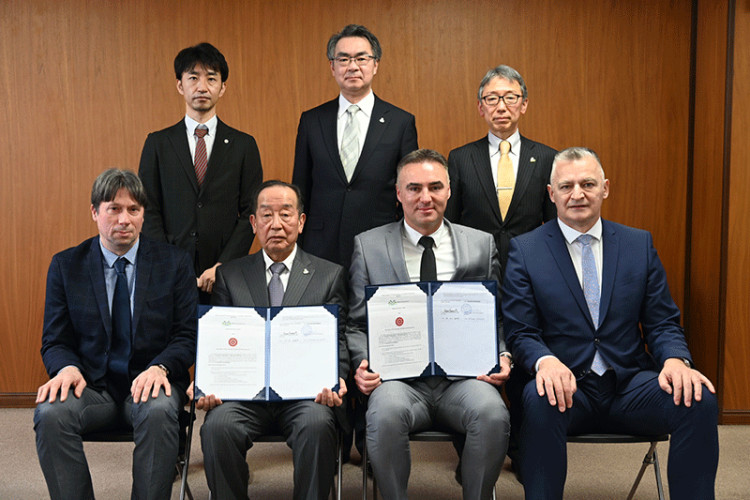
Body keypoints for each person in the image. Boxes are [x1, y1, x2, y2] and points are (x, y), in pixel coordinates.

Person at [502, 147, 719, 499]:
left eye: (587, 184)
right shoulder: (526, 250)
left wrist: (676, 360)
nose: (577, 194)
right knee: (539, 397)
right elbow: (521, 330)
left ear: (605, 188)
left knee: (698, 398)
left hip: (630, 386)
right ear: (551, 194)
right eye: (566, 186)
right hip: (566, 388)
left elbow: (662, 322)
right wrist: (545, 361)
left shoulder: (637, 244)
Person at [347, 149, 512, 500]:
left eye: (435, 187)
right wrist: (362, 363)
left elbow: (495, 316)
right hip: (399, 382)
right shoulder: (369, 246)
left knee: (492, 413)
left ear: (449, 190)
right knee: (385, 413)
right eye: (414, 188)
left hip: (464, 381)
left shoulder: (480, 245)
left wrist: (502, 353)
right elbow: (356, 324)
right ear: (398, 193)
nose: (426, 197)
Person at [34, 169, 197, 500]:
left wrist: (161, 367)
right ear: (95, 212)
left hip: (150, 385)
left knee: (158, 410)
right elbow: (55, 340)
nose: (125, 220)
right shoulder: (67, 265)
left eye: (134, 209)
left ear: (143, 215)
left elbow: (187, 335)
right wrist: (67, 368)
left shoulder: (175, 263)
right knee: (50, 413)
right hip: (91, 388)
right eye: (114, 209)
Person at [193, 180, 348, 500]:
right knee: (217, 426)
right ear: (253, 223)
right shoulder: (230, 276)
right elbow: (219, 340)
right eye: (266, 215)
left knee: (318, 424)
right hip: (243, 397)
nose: (276, 224)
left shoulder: (329, 275)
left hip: (305, 396)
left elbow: (340, 339)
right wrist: (208, 382)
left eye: (286, 214)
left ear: (301, 222)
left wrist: (339, 377)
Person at [139, 42, 263, 303]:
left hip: (225, 275)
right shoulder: (158, 143)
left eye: (211, 78)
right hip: (169, 275)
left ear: (222, 87)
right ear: (180, 85)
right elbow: (148, 209)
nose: (202, 87)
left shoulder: (244, 145)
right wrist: (169, 262)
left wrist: (224, 265)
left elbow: (250, 212)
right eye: (193, 78)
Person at [293, 24, 418, 270]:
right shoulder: (312, 120)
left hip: (380, 245)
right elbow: (300, 187)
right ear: (332, 67)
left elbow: (410, 188)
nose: (352, 66)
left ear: (375, 64)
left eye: (361, 58)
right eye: (343, 59)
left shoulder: (400, 122)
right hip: (319, 247)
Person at [445, 65, 556, 271]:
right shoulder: (461, 158)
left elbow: (553, 225)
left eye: (510, 98)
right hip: (475, 267)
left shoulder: (547, 158)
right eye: (492, 99)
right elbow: (451, 224)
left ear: (524, 104)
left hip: (531, 267)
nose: (501, 107)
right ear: (481, 107)